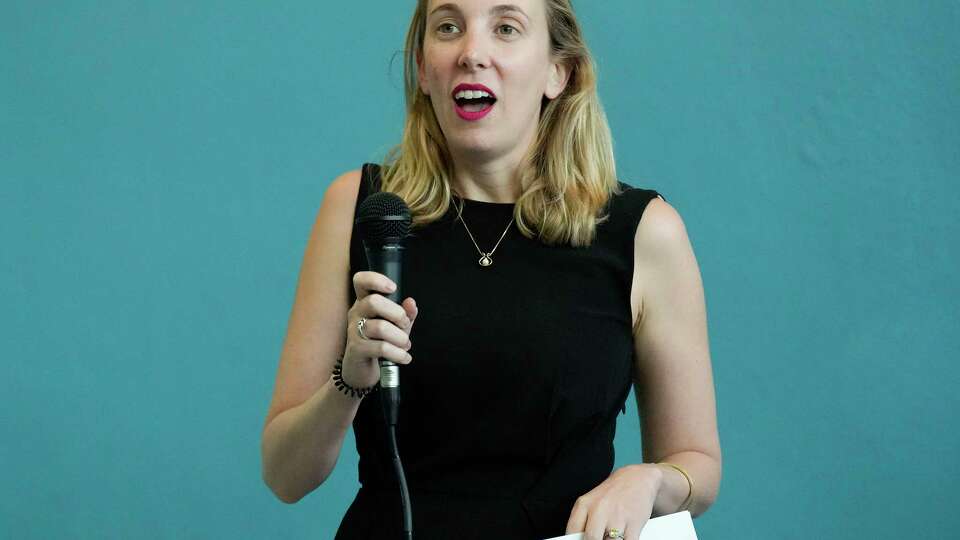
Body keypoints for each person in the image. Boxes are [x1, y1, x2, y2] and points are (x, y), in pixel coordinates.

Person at [261, 1, 722, 538]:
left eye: (505, 28)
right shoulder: (360, 210)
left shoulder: (644, 232)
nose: (471, 53)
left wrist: (649, 480)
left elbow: (697, 464)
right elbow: (284, 476)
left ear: (559, 71)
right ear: (422, 69)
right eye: (449, 27)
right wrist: (349, 381)